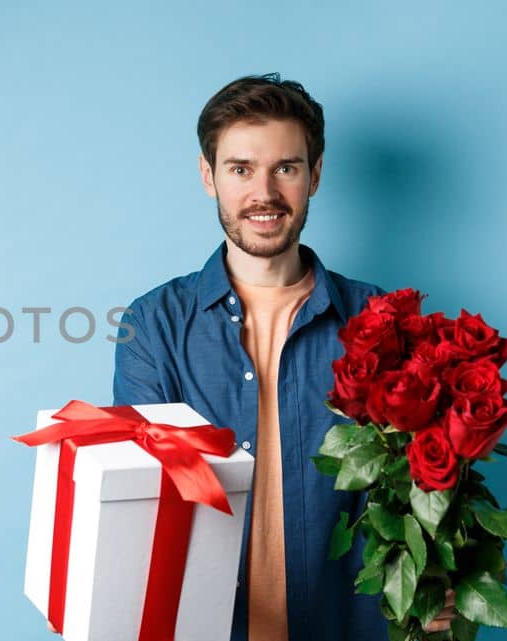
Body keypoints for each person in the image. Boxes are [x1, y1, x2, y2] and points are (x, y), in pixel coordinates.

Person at [110, 74, 454, 641]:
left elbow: (426, 483)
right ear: (208, 176)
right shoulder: (153, 326)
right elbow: (146, 501)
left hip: (352, 626)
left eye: (286, 168)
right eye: (241, 169)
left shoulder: (382, 321)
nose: (263, 193)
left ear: (315, 175)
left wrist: (440, 572)